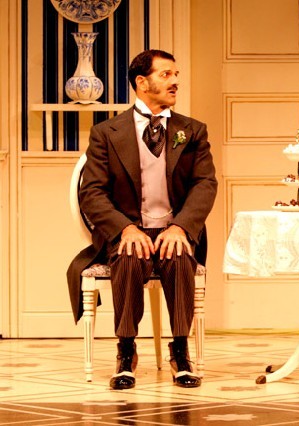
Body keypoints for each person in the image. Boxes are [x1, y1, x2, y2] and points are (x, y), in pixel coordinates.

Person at [66, 49, 218, 390]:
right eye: (166, 74)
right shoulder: (106, 132)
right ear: (141, 82)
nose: (175, 81)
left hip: (174, 229)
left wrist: (181, 227)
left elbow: (205, 184)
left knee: (178, 256)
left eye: (176, 74)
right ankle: (126, 352)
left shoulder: (193, 130)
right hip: (128, 231)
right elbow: (92, 192)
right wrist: (124, 229)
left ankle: (180, 352)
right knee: (129, 256)